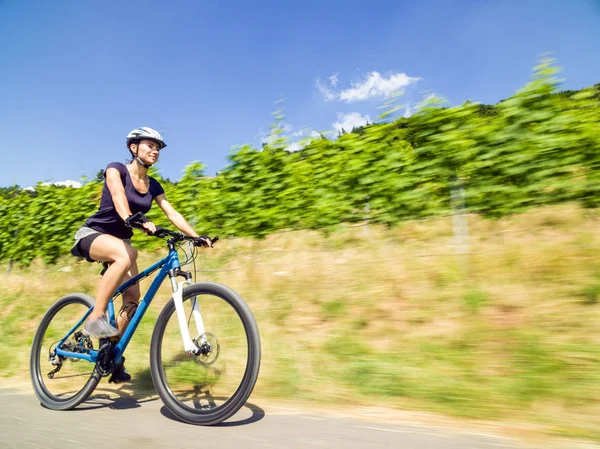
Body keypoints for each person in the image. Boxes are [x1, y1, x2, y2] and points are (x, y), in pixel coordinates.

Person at [71, 126, 210, 383]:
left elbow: (171, 212)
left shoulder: (153, 185)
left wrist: (195, 236)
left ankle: (109, 353)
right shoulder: (116, 169)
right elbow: (117, 196)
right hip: (93, 234)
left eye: (158, 148)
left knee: (133, 299)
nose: (155, 150)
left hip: (121, 242)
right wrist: (132, 218)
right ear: (133, 148)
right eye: (150, 145)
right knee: (127, 255)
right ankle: (96, 317)